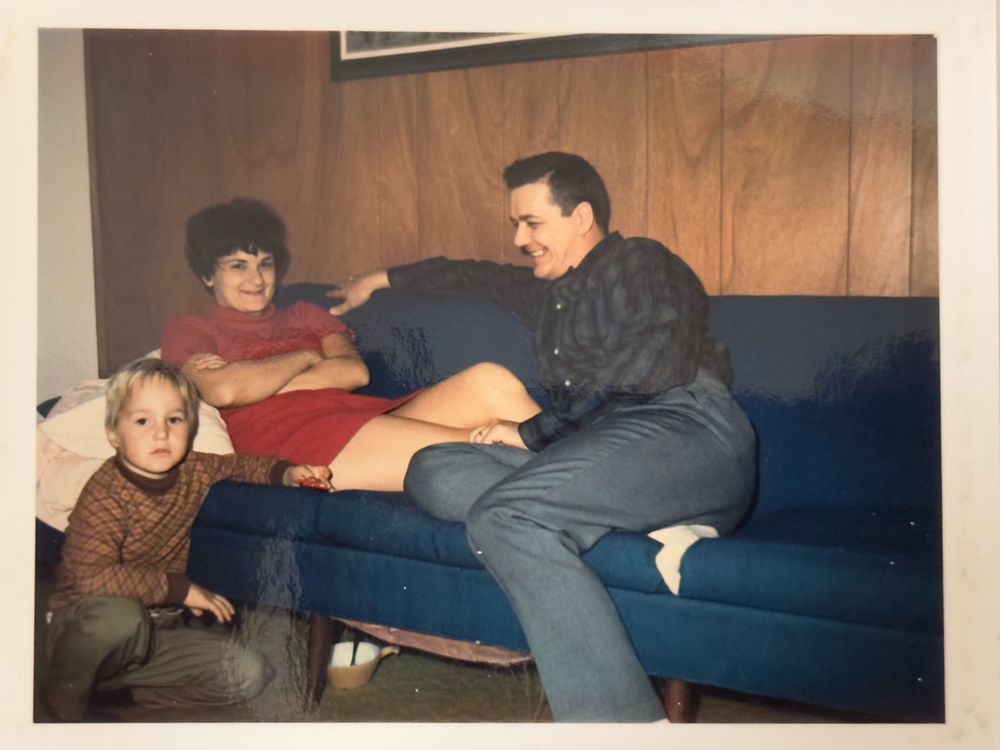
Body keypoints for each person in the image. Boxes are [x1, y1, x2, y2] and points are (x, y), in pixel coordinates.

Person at [329, 152, 757, 722]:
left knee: (505, 518)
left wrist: (531, 433)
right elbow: (472, 274)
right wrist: (379, 279)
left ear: (582, 218)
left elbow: (644, 373)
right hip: (602, 457)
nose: (519, 239)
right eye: (515, 224)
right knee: (433, 469)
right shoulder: (548, 292)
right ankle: (653, 522)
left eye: (532, 223)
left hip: (685, 431)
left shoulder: (642, 264)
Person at [161, 198, 540, 492]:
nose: (257, 278)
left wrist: (257, 384)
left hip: (356, 418)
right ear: (207, 274)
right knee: (488, 449)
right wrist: (307, 357)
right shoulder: (191, 330)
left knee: (491, 381)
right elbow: (222, 390)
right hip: (291, 442)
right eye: (238, 266)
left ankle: (583, 472)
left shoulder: (305, 313)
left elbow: (353, 372)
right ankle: (581, 484)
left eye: (265, 263)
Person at [43, 357, 333, 721]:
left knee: (249, 674)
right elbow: (90, 578)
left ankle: (116, 694)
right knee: (120, 617)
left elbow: (241, 466)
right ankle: (64, 694)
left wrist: (286, 473)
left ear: (190, 427)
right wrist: (182, 590)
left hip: (158, 629)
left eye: (174, 420)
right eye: (142, 421)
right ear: (114, 433)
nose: (161, 433)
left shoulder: (194, 469)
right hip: (87, 626)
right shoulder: (106, 491)